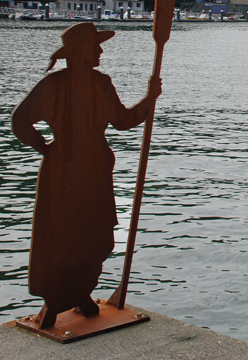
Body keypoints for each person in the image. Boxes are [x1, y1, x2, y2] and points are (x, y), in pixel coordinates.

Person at [11, 22, 161, 329]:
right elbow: (123, 121)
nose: (100, 51)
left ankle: (77, 293)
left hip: (69, 167)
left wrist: (46, 148)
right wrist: (149, 99)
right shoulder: (92, 83)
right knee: (79, 231)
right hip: (86, 168)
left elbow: (20, 121)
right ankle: (63, 297)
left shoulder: (65, 83)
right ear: (81, 50)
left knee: (72, 231)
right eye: (95, 46)